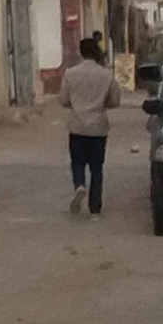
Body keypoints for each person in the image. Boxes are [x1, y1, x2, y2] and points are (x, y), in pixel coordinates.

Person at [57, 33, 120, 217]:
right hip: (98, 128)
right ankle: (95, 208)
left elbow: (63, 100)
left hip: (77, 126)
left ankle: (79, 185)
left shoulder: (70, 74)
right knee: (96, 167)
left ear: (81, 52)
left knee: (77, 161)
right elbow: (115, 101)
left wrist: (76, 105)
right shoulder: (107, 75)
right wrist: (100, 105)